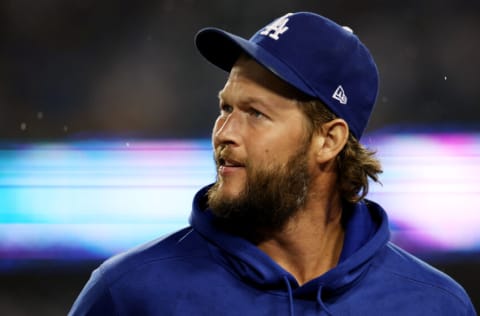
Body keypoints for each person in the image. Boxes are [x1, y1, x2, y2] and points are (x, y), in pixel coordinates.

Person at [69, 12, 476, 315]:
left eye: (256, 114)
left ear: (328, 140)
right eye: (225, 107)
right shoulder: (131, 293)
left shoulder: (433, 305)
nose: (224, 132)